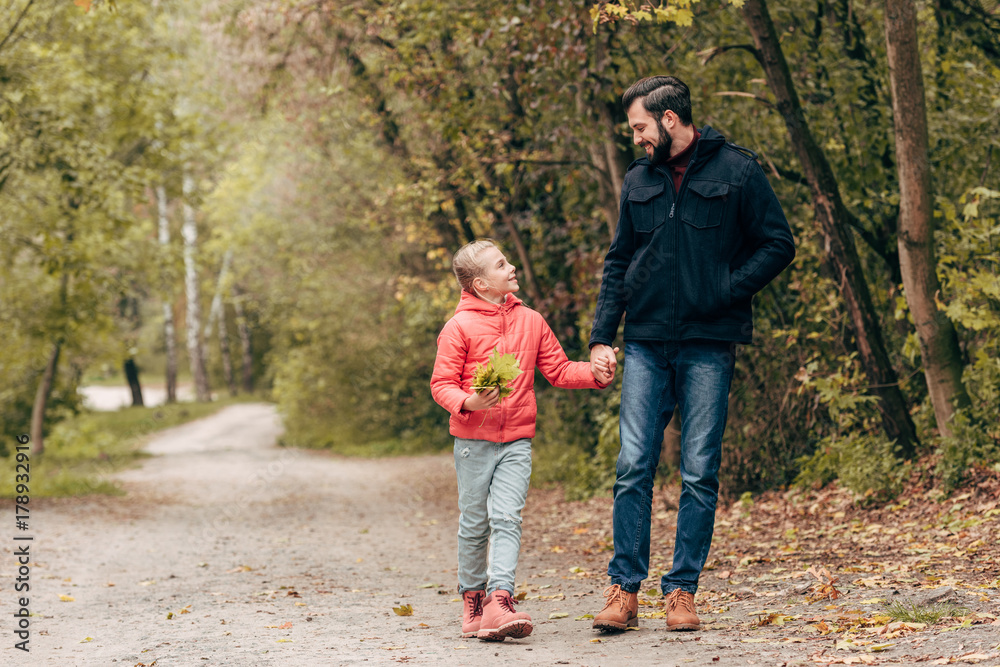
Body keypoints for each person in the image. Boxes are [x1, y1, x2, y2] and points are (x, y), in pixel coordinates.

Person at [588, 76, 795, 633]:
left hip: (709, 343)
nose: (636, 138)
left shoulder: (738, 171)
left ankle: (681, 592)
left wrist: (727, 289)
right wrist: (602, 336)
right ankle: (624, 591)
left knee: (699, 470)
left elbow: (778, 243)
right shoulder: (638, 179)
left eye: (639, 127)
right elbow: (618, 261)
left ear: (670, 120)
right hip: (648, 341)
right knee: (634, 464)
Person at [430, 239, 615, 642]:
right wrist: (469, 401)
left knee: (507, 518)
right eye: (501, 264)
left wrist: (595, 374)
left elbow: (560, 369)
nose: (511, 267)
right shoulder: (458, 327)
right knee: (475, 524)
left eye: (508, 261)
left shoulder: (531, 320)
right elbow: (441, 384)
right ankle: (474, 603)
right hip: (472, 442)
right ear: (481, 284)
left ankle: (501, 599)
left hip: (517, 440)